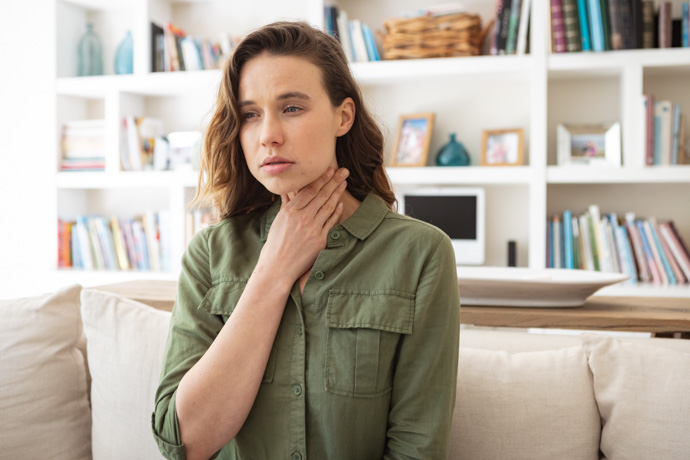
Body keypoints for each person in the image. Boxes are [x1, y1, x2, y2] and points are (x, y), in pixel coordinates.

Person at [152, 21, 460, 460]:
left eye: (292, 108)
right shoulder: (209, 254)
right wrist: (273, 273)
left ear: (343, 116)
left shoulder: (420, 253)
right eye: (250, 114)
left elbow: (418, 447)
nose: (267, 135)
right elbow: (182, 443)